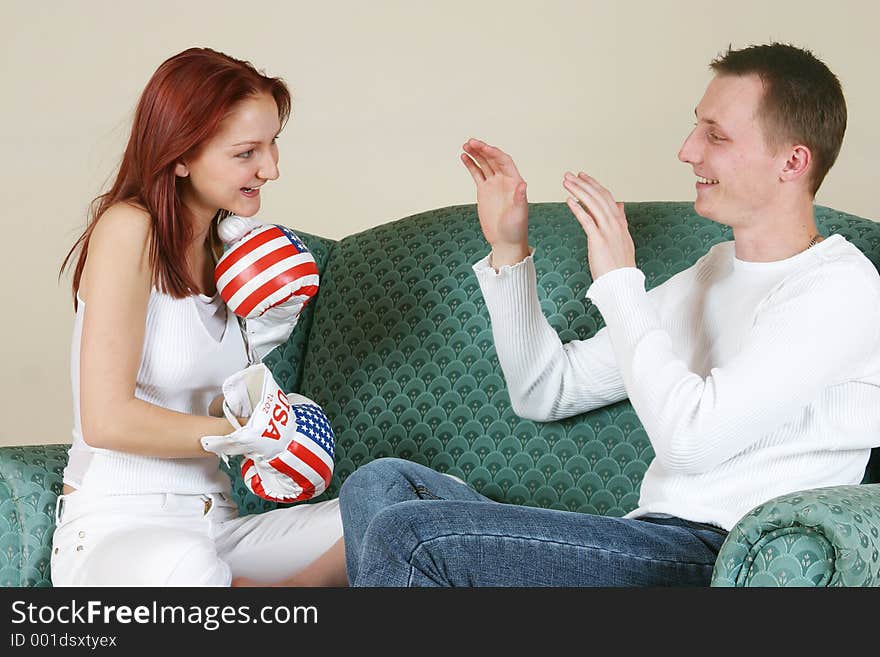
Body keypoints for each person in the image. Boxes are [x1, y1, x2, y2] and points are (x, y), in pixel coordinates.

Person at [337, 43, 880, 586]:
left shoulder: (838, 288)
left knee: (411, 538)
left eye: (716, 135)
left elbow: (689, 442)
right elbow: (545, 390)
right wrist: (508, 248)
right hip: (647, 539)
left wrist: (620, 280)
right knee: (380, 486)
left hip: (722, 557)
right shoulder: (714, 270)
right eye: (697, 128)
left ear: (792, 161)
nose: (688, 151)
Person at [53, 47, 346, 586]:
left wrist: (273, 410)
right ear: (181, 155)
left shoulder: (236, 256)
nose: (271, 168)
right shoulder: (129, 229)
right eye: (247, 152)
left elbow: (206, 402)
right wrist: (248, 433)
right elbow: (107, 420)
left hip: (215, 527)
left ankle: (285, 595)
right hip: (121, 529)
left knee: (407, 505)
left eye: (273, 143)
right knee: (190, 569)